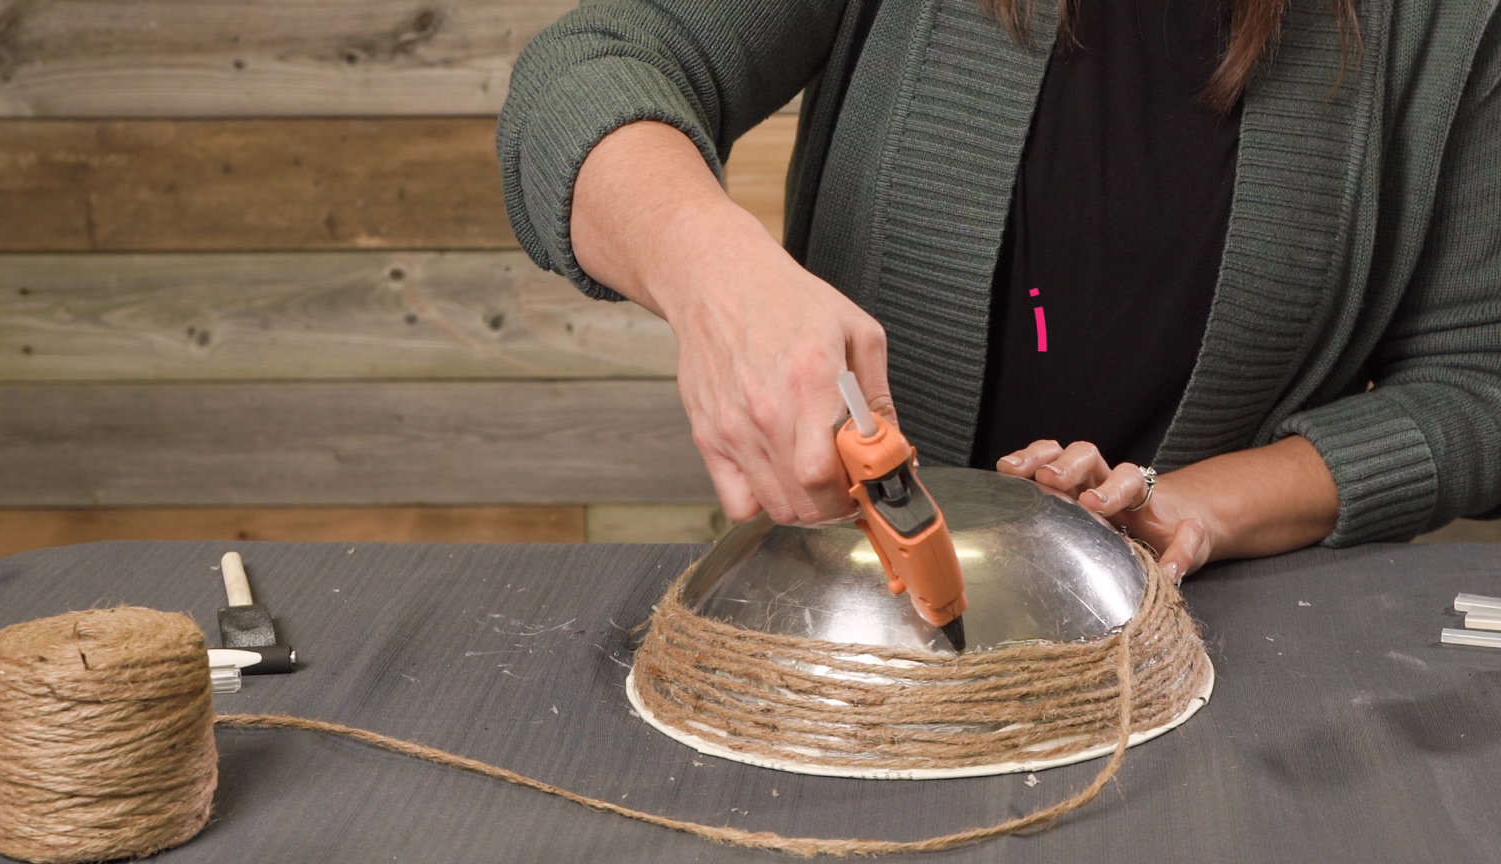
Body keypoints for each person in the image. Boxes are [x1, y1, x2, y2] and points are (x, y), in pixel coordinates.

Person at [499, 0, 1501, 582]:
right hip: (852, 632)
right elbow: (582, 74)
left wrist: (1191, 509)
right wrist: (715, 273)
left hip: (1241, 663)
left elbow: (1478, 387)